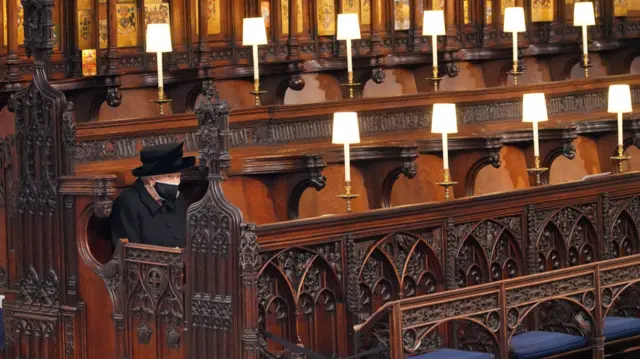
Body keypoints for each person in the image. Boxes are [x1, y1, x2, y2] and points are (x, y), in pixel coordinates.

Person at [109, 142, 195, 248]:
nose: (176, 182)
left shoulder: (178, 198)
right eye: (170, 176)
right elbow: (128, 253)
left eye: (178, 176)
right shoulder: (129, 202)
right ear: (151, 178)